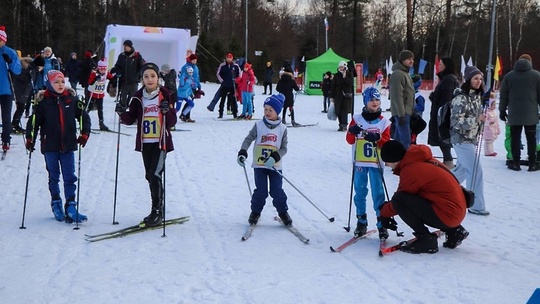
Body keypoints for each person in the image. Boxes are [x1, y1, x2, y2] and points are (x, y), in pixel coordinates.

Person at [379, 140, 469, 254]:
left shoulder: (411, 170)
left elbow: (402, 199)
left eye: (386, 161)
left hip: (448, 214)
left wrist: (383, 213)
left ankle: (426, 239)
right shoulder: (422, 160)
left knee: (399, 199)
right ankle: (454, 231)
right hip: (456, 211)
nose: (386, 165)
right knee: (412, 197)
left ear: (394, 159)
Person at [25, 70, 91, 223]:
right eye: (56, 82)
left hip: (68, 145)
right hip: (50, 146)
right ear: (49, 84)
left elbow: (83, 117)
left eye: (62, 81)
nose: (60, 85)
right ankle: (56, 203)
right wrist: (30, 139)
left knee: (70, 177)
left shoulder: (72, 100)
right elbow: (33, 123)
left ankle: (71, 205)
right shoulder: (43, 103)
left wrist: (84, 133)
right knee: (54, 177)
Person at [116, 63, 177, 226]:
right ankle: (159, 206)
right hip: (145, 143)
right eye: (146, 76)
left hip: (160, 142)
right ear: (142, 79)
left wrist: (167, 111)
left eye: (153, 76)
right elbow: (130, 118)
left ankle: (156, 211)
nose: (149, 79)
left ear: (158, 78)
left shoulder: (166, 95)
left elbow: (172, 121)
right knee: (149, 176)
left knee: (154, 174)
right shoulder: (138, 97)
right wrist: (122, 113)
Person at [237, 94, 293, 226]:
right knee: (261, 192)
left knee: (277, 191)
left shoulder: (283, 129)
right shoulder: (259, 125)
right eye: (265, 109)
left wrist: (275, 157)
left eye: (270, 110)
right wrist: (243, 152)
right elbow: (248, 139)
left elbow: (284, 148)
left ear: (277, 111)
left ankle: (283, 212)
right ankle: (255, 212)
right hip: (260, 165)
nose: (267, 112)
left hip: (275, 166)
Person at [345, 87, 392, 240]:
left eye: (377, 99)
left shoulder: (384, 122)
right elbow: (349, 140)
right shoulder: (357, 119)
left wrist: (377, 139)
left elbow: (386, 142)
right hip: (359, 162)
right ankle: (361, 221)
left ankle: (381, 223)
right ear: (365, 101)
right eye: (371, 99)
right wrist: (351, 131)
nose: (375, 102)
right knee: (360, 192)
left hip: (376, 163)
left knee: (378, 193)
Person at [450, 66, 489, 216]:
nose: (478, 81)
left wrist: (480, 121)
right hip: (461, 139)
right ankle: (476, 205)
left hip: (470, 139)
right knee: (475, 171)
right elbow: (456, 121)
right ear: (468, 80)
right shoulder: (461, 97)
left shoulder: (476, 96)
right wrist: (476, 120)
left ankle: (439, 188)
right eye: (475, 78)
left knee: (461, 171)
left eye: (480, 78)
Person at [499, 54, 540, 172]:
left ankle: (516, 163)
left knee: (515, 138)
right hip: (531, 113)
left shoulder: (509, 76)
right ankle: (532, 163)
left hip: (514, 114)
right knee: (531, 139)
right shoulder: (537, 76)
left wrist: (502, 110)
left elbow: (503, 96)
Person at [428, 57, 460, 168]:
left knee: (443, 137)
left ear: (447, 65)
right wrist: (434, 97)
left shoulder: (448, 79)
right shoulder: (447, 79)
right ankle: (448, 160)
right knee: (442, 137)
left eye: (441, 64)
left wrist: (441, 111)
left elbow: (447, 98)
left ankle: (449, 161)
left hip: (443, 114)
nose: (438, 66)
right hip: (442, 113)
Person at [0, 25, 22, 151]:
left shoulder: (10, 52)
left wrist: (10, 62)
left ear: (4, 40)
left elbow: (17, 70)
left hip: (6, 91)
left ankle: (6, 139)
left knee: (6, 116)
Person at [389, 50, 415, 148]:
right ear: (402, 60)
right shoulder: (398, 74)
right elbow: (397, 96)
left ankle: (394, 160)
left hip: (406, 111)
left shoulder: (405, 73)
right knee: (405, 142)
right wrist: (401, 115)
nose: (411, 61)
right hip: (402, 113)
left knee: (398, 140)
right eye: (409, 59)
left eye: (412, 59)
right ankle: (404, 161)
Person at [112, 40, 145, 108]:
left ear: (130, 46)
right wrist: (117, 70)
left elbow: (141, 67)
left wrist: (137, 75)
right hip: (124, 81)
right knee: (123, 99)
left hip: (134, 81)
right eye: (124, 46)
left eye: (126, 46)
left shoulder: (137, 56)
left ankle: (134, 114)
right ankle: (122, 114)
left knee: (134, 98)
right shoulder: (121, 56)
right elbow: (117, 65)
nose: (124, 47)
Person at [87, 58, 114, 131]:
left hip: (100, 94)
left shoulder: (106, 73)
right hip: (92, 93)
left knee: (100, 109)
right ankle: (84, 121)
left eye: (104, 69)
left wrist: (116, 75)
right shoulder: (94, 73)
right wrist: (95, 79)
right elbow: (89, 82)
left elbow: (112, 78)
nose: (103, 71)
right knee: (89, 107)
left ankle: (101, 124)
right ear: (98, 68)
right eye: (101, 69)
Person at [11, 56, 36, 134]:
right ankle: (14, 124)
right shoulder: (22, 68)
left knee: (21, 107)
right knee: (20, 107)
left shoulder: (31, 69)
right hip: (19, 90)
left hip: (25, 90)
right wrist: (29, 75)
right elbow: (21, 77)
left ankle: (15, 124)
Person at [330, 61, 354, 131]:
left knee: (344, 111)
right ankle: (340, 124)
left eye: (342, 67)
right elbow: (333, 86)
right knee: (338, 111)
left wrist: (345, 77)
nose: (341, 68)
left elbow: (350, 84)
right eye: (340, 67)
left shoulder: (349, 74)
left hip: (346, 96)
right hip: (337, 96)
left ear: (345, 67)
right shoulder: (336, 76)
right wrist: (331, 96)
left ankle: (344, 125)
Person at [216, 52, 241, 118]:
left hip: (233, 85)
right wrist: (222, 81)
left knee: (233, 99)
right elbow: (218, 74)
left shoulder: (235, 66)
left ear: (232, 58)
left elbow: (239, 75)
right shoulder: (222, 65)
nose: (229, 59)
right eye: (228, 58)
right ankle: (220, 113)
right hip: (225, 85)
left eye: (230, 58)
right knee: (222, 99)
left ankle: (235, 113)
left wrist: (237, 81)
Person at [180, 53, 202, 122]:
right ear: (190, 60)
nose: (195, 61)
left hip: (194, 86)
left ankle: (186, 116)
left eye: (195, 60)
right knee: (189, 101)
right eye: (193, 60)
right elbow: (182, 76)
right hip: (188, 86)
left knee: (191, 101)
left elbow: (197, 77)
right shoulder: (186, 67)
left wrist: (198, 85)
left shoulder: (196, 67)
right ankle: (184, 115)